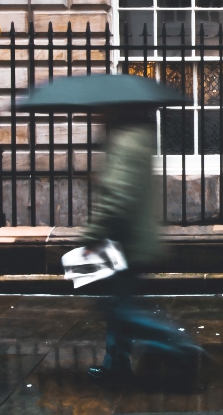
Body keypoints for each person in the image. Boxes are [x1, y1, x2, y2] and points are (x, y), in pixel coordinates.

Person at [82, 109, 203, 381]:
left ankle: (178, 345)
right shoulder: (135, 139)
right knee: (117, 302)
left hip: (124, 242)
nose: (97, 117)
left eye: (100, 113)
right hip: (131, 238)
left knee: (119, 308)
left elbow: (116, 198)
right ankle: (116, 364)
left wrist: (92, 235)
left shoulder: (125, 143)